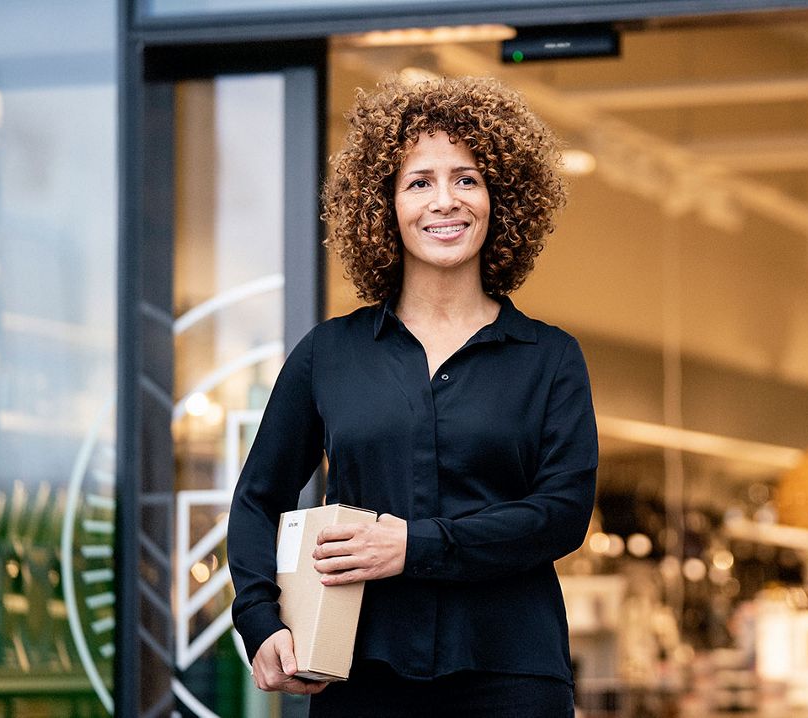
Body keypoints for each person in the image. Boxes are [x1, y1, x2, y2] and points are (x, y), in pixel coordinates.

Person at [227, 75, 598, 717]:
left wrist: (412, 547)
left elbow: (563, 512)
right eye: (419, 182)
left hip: (510, 676)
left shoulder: (550, 358)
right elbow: (257, 498)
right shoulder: (329, 354)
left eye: (467, 179)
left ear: (500, 199)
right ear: (384, 206)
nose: (444, 202)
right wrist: (261, 622)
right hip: (362, 673)